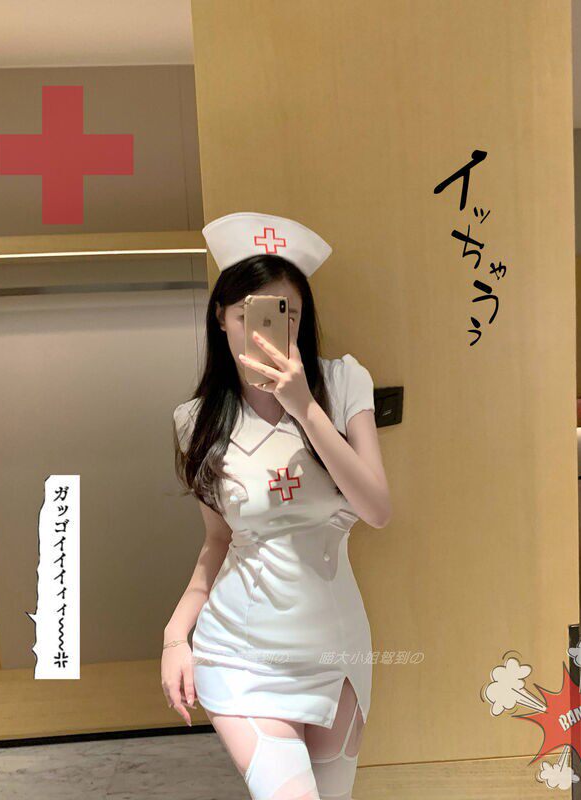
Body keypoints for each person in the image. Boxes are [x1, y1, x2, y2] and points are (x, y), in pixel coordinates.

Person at [161, 212, 392, 800]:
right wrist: (175, 636)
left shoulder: (342, 383)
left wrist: (303, 406)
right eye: (249, 314)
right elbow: (218, 542)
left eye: (286, 313)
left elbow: (377, 509)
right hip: (240, 652)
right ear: (221, 317)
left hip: (334, 651)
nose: (268, 330)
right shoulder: (196, 421)